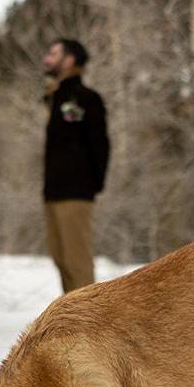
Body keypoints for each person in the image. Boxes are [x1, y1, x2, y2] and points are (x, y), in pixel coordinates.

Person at [41, 36, 109, 294]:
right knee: (61, 259)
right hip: (53, 191)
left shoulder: (87, 98)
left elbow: (100, 143)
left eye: (53, 53)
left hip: (76, 191)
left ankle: (89, 327)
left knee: (77, 261)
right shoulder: (54, 97)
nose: (47, 57)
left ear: (69, 60)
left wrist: (92, 185)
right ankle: (72, 323)